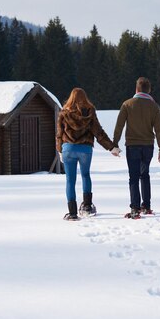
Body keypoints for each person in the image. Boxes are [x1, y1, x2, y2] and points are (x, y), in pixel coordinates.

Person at [56, 88, 121, 221]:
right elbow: (99, 133)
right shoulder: (90, 112)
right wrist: (112, 148)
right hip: (85, 149)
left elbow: (59, 135)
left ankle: (72, 213)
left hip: (68, 148)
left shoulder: (63, 113)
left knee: (70, 180)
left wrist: (60, 150)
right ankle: (86, 206)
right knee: (85, 175)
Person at [113, 77, 160, 219]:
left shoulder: (127, 104)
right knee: (145, 175)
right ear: (149, 90)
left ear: (136, 89)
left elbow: (119, 126)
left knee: (133, 177)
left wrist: (114, 144)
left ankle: (135, 209)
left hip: (132, 146)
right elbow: (159, 129)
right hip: (148, 146)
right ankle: (146, 206)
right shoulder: (154, 106)